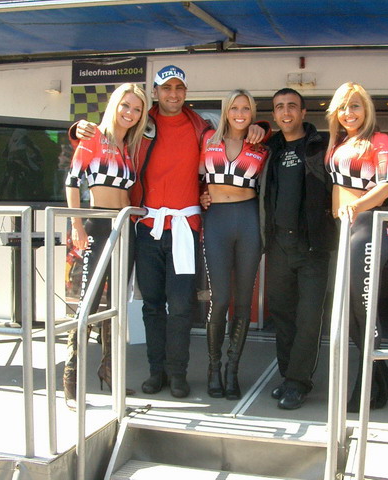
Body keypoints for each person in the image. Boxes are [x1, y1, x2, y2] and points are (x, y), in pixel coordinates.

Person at [74, 65, 265, 398]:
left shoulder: (201, 127)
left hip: (184, 230)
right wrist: (76, 129)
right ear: (156, 92)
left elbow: (228, 142)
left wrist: (259, 127)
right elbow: (107, 136)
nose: (172, 94)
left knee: (180, 307)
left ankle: (178, 374)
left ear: (185, 93)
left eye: (178, 88)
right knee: (152, 305)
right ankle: (156, 372)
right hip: (146, 227)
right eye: (166, 88)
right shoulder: (140, 123)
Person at [63, 83, 148, 409]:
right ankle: (71, 381)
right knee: (88, 302)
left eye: (137, 109)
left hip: (126, 227)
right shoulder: (93, 136)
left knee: (116, 304)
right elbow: (72, 181)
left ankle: (108, 371)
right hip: (97, 226)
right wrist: (76, 225)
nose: (130, 113)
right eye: (126, 105)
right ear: (115, 105)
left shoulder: (129, 146)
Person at [324, 81, 388, 412]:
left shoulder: (380, 141)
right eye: (342, 107)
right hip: (344, 231)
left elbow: (386, 186)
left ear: (367, 109)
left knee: (363, 313)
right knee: (352, 316)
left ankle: (366, 386)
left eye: (355, 105)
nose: (348, 112)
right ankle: (384, 377)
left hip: (367, 229)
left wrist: (355, 206)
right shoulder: (340, 143)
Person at [262, 88, 337, 409]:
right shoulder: (270, 148)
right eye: (280, 107)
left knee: (308, 318)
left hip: (312, 246)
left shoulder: (323, 146)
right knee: (282, 315)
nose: (286, 111)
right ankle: (287, 376)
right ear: (274, 114)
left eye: (292, 106)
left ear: (304, 112)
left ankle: (298, 382)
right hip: (278, 244)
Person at [199, 89, 270, 399]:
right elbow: (193, 175)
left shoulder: (261, 144)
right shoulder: (207, 140)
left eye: (246, 108)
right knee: (220, 299)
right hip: (216, 220)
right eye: (234, 108)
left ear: (252, 113)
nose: (240, 114)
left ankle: (232, 371)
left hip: (249, 220)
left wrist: (264, 127)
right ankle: (213, 367)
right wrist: (200, 195)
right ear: (225, 111)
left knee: (243, 301)